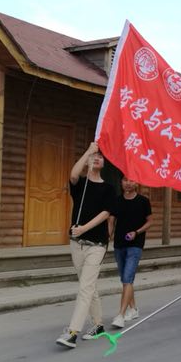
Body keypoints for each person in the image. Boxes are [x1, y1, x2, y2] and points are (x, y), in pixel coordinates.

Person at [56, 142, 116, 349]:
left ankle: (72, 332)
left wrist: (83, 228)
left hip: (96, 244)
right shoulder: (80, 184)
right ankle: (98, 325)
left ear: (104, 163)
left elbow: (105, 213)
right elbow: (73, 174)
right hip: (76, 244)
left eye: (100, 156)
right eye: (94, 156)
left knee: (85, 287)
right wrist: (88, 151)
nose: (97, 158)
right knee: (88, 286)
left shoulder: (109, 188)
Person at [108, 176, 153, 329]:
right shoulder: (117, 200)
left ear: (137, 183)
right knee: (126, 279)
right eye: (125, 180)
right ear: (121, 182)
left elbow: (150, 221)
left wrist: (137, 232)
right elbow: (111, 221)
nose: (128, 183)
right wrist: (108, 237)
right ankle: (133, 309)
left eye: (132, 180)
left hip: (135, 244)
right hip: (119, 244)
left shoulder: (143, 201)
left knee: (127, 278)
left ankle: (120, 315)